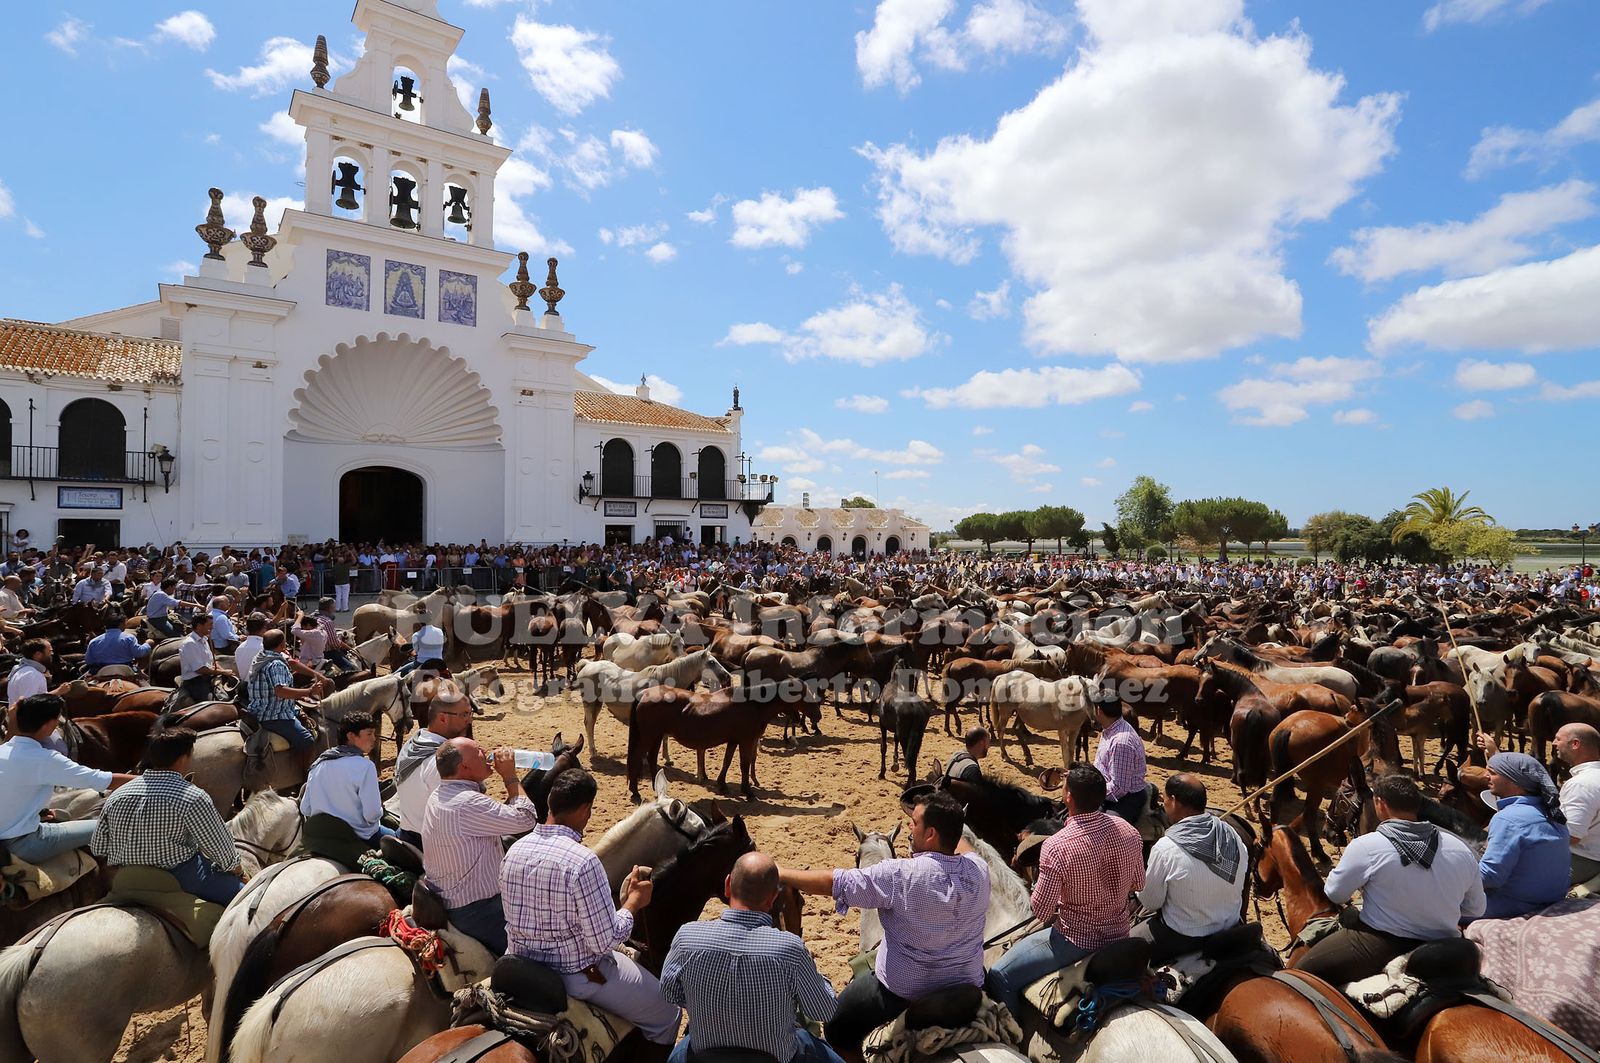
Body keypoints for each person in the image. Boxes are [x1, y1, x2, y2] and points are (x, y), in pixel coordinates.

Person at [778, 791, 989, 1058]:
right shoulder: (979, 870)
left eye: (914, 823)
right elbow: (963, 847)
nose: (910, 829)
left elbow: (836, 883)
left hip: (901, 994)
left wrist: (780, 872)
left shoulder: (899, 874)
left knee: (835, 1024)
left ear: (932, 834)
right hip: (966, 988)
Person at [503, 768, 681, 1055]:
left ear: (551, 802)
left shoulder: (515, 850)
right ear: (585, 810)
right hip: (575, 976)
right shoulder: (583, 862)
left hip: (519, 965)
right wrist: (632, 902)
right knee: (668, 1011)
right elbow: (604, 941)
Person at [987, 764, 1143, 1018]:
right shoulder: (1128, 831)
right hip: (1119, 932)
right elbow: (1138, 883)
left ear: (1068, 797)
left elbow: (1041, 909)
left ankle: (1015, 1038)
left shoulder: (1056, 846)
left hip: (1075, 940)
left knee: (999, 975)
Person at [1294, 775, 1486, 983]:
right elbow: (1476, 909)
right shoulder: (1460, 849)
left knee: (1300, 975)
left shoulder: (1367, 845)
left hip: (1381, 943)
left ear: (1380, 803)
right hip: (1445, 946)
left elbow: (1335, 893)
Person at [662, 850, 842, 1063]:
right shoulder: (790, 949)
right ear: (773, 897)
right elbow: (824, 1010)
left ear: (728, 885)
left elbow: (669, 992)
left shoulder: (687, 937)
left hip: (704, 1055)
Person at [91, 728, 247, 904]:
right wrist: (238, 871)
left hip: (126, 877)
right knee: (248, 901)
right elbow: (219, 847)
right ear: (184, 758)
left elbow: (99, 846)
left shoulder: (118, 794)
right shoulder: (192, 796)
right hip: (181, 876)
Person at [421, 736, 538, 954]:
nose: (486, 751)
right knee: (537, 951)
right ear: (464, 767)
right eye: (478, 752)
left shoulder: (440, 793)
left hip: (448, 897)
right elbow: (526, 819)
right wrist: (511, 776)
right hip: (477, 909)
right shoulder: (468, 802)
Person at [1, 694, 133, 862]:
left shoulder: (2, 751)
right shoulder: (46, 759)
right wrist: (151, 778)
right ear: (49, 724)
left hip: (9, 836)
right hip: (24, 844)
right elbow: (102, 780)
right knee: (113, 825)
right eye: (57, 720)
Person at [1134, 774, 1248, 964]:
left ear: (1174, 801)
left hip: (1184, 936)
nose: (1163, 805)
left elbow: (1151, 901)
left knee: (1124, 947)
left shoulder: (1166, 847)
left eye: (1164, 799)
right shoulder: (1233, 836)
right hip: (1230, 928)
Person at [1474, 749, 1571, 918]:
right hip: (1552, 898)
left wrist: (1452, 877)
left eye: (1493, 773)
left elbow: (1490, 876)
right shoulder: (1553, 814)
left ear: (1514, 781)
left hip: (1514, 904)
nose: (1485, 777)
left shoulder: (1508, 819)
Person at [300, 711, 393, 857]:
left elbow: (305, 809)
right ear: (351, 736)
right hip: (360, 836)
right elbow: (372, 815)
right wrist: (380, 809)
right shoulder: (365, 766)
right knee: (404, 844)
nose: (374, 739)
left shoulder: (318, 764)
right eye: (369, 734)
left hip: (321, 837)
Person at [395, 679, 474, 848]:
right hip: (431, 843)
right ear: (443, 718)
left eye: (470, 713)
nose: (469, 720)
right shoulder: (443, 761)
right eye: (464, 714)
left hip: (407, 832)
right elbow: (464, 814)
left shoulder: (414, 742)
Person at [246, 629, 325, 765]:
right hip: (274, 715)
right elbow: (280, 691)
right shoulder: (276, 664)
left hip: (258, 709)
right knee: (307, 740)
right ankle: (304, 773)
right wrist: (309, 692)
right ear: (282, 644)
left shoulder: (261, 656)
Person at [1552, 723, 1600, 884]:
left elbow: (1570, 836)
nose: (1553, 743)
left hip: (1583, 860)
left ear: (1575, 744)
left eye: (1558, 739)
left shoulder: (1581, 784)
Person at [1093, 697, 1148, 825]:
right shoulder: (1110, 729)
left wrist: (1090, 791)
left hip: (1125, 797)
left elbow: (1119, 788)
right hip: (1106, 788)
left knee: (1104, 828)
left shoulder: (1120, 742)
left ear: (1099, 710)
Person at [84, 612, 154, 674]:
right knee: (144, 683)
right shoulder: (129, 638)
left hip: (100, 670)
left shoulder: (94, 641)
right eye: (124, 623)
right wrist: (147, 644)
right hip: (127, 668)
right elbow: (139, 653)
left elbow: (88, 661)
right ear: (120, 624)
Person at [179, 613, 222, 703]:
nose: (212, 627)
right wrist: (223, 672)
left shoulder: (204, 640)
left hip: (207, 676)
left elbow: (211, 661)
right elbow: (200, 669)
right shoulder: (190, 643)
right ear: (199, 626)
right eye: (210, 625)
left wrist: (220, 668)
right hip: (195, 681)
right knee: (210, 704)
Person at [7, 638, 53, 708]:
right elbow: (29, 706)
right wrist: (58, 692)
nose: (52, 654)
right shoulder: (31, 674)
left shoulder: (26, 671)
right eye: (50, 651)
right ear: (38, 654)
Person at [315, 597, 357, 673]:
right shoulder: (327, 622)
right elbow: (334, 643)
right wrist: (346, 647)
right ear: (329, 608)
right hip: (327, 653)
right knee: (351, 668)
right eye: (334, 607)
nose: (335, 609)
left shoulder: (314, 617)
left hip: (313, 651)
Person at [234, 613, 267, 681]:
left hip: (243, 686)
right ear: (264, 628)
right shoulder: (264, 648)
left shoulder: (239, 648)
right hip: (258, 687)